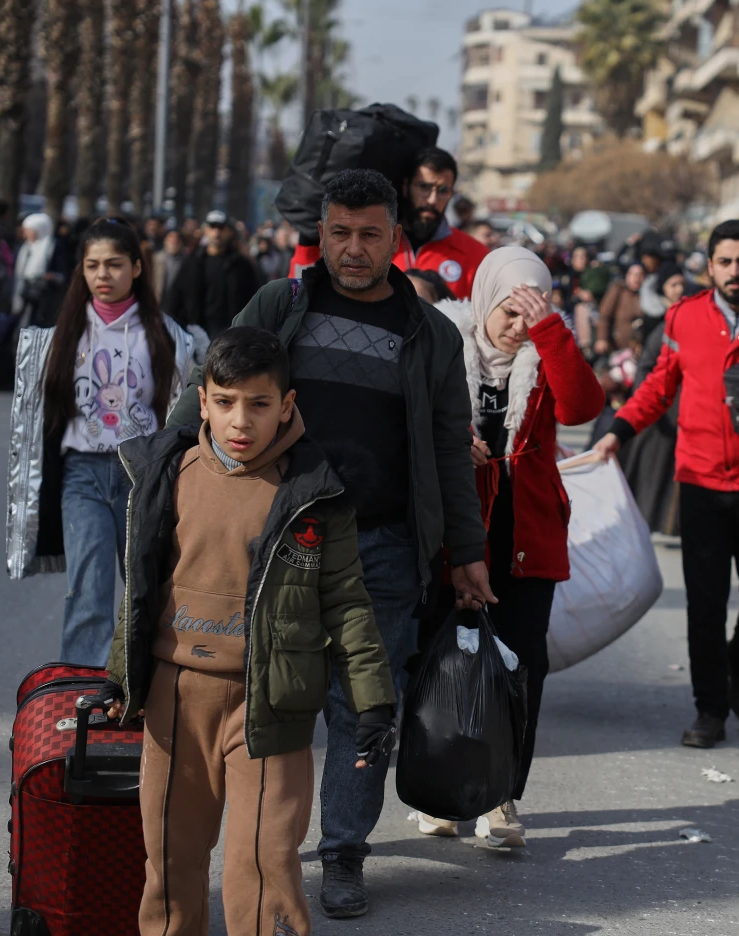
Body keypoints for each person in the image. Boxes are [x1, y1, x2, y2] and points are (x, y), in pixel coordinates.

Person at [163, 168, 488, 920]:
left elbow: (447, 449)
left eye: (369, 234)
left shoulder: (430, 336)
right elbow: (211, 389)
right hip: (275, 543)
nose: (351, 248)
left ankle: (343, 851)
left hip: (382, 547)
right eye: (338, 232)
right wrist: (167, 473)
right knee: (263, 697)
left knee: (364, 706)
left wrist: (465, 552)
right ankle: (259, 852)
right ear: (321, 234)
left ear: (396, 239)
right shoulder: (283, 306)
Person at [100, 326, 398, 936]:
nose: (242, 421)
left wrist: (372, 699)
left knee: (264, 861)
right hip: (174, 700)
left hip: (270, 705)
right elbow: (140, 591)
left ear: (287, 406)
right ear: (203, 400)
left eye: (260, 404)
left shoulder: (315, 492)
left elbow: (346, 601)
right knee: (170, 860)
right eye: (226, 402)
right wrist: (119, 677)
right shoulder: (167, 473)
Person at [592, 220, 739, 749]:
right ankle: (710, 710)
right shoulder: (684, 318)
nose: (734, 271)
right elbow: (658, 385)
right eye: (724, 262)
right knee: (705, 603)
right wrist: (618, 432)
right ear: (710, 266)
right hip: (700, 480)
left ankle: (738, 665)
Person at [410, 248, 603, 848]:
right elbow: (404, 415)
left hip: (526, 531)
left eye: (530, 313)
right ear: (484, 298)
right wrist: (450, 440)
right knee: (441, 660)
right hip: (453, 528)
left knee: (522, 668)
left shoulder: (547, 352)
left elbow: (583, 407)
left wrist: (550, 333)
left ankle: (501, 797)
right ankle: (437, 789)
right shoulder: (442, 340)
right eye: (509, 312)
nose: (517, 327)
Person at [5, 218, 197, 665]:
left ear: (136, 267)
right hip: (82, 477)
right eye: (92, 265)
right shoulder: (59, 338)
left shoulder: (169, 338)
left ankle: (140, 691)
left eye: (113, 264)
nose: (102, 275)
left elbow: (180, 416)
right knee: (87, 590)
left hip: (142, 479)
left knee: (146, 590)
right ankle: (83, 697)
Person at [618, 267, 687, 535]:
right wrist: (642, 402)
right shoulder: (660, 324)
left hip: (675, 407)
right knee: (650, 472)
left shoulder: (681, 319)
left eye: (682, 284)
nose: (679, 290)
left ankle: (670, 524)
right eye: (673, 284)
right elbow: (647, 366)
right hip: (657, 408)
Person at [392, 147, 489, 300]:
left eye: (443, 190)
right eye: (424, 187)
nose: (432, 200)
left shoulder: (476, 256)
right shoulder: (378, 245)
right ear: (406, 186)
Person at [162, 211, 260, 339]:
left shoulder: (241, 265)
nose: (217, 233)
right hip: (197, 333)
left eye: (221, 228)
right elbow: (175, 296)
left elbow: (253, 299)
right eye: (213, 227)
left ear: (229, 231)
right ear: (206, 230)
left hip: (231, 334)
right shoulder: (193, 262)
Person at [13, 213, 67, 327]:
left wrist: (50, 276)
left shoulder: (52, 246)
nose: (26, 234)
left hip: (46, 297)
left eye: (29, 230)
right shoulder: (26, 247)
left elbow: (62, 273)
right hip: (27, 294)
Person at [594, 263, 646, 355]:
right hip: (617, 346)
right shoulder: (618, 290)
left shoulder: (647, 295)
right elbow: (604, 315)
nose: (637, 278)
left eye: (640, 274)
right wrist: (602, 338)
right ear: (627, 276)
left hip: (640, 348)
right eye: (633, 274)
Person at [153, 229, 187, 296]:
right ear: (165, 241)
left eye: (176, 241)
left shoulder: (187, 261)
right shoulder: (156, 259)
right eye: (171, 239)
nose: (173, 242)